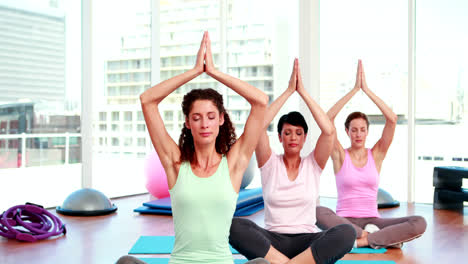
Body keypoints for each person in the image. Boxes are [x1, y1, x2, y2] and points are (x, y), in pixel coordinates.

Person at [116, 32, 269, 264]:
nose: (204, 124)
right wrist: (194, 71)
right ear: (188, 123)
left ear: (221, 119)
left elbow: (260, 101)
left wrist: (214, 72)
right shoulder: (175, 163)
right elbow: (147, 100)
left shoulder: (234, 164)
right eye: (196, 117)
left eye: (210, 116)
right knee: (126, 262)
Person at [229, 59, 356, 264]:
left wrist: (303, 92)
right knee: (233, 225)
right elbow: (259, 126)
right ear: (279, 137)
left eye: (298, 133)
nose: (293, 137)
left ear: (305, 137)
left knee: (347, 233)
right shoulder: (269, 163)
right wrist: (289, 91)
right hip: (272, 241)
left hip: (307, 242)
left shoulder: (314, 164)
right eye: (287, 133)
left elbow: (329, 130)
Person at [316, 60, 426, 249]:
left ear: (367, 131)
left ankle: (361, 241)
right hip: (345, 221)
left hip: (374, 220)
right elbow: (327, 118)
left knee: (419, 222)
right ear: (347, 132)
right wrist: (353, 90)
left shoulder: (376, 154)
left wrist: (366, 90)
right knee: (316, 212)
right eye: (354, 130)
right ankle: (375, 237)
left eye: (362, 130)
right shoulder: (339, 155)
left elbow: (391, 119)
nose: (358, 134)